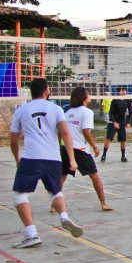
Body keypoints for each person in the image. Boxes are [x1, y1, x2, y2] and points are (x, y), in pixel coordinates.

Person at [9, 78, 83, 248]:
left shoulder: (21, 110)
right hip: (53, 159)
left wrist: (17, 159)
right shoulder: (56, 108)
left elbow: (13, 140)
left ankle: (32, 234)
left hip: (31, 157)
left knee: (20, 196)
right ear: (46, 91)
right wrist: (71, 159)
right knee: (55, 192)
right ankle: (64, 217)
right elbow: (65, 133)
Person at [57, 87, 112, 212]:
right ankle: (103, 203)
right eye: (88, 94)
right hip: (79, 149)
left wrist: (59, 145)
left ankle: (54, 205)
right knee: (95, 176)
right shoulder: (87, 112)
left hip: (65, 149)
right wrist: (95, 147)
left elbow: (61, 132)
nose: (90, 95)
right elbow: (86, 131)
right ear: (83, 97)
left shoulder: (68, 112)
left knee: (62, 177)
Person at [101, 86, 132, 162]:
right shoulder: (115, 100)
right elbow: (110, 112)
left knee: (123, 140)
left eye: (125, 90)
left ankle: (123, 156)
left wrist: (128, 122)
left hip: (122, 123)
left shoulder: (127, 101)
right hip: (113, 122)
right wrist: (114, 122)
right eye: (122, 90)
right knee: (109, 138)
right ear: (119, 92)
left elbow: (130, 114)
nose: (124, 92)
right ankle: (104, 155)